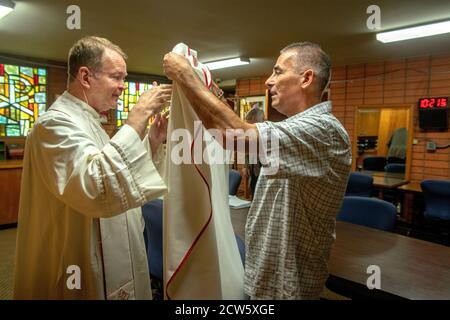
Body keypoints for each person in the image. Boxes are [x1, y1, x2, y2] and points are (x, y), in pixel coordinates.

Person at [163, 42, 351, 299]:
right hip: (265, 276)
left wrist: (186, 76)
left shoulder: (323, 130)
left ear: (306, 78)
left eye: (278, 71)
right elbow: (225, 132)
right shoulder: (294, 129)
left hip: (288, 285)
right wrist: (203, 92)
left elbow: (234, 136)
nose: (268, 81)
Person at [14, 36, 172, 300]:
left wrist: (153, 141)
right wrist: (138, 115)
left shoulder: (91, 123)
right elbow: (95, 185)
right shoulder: (53, 125)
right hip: (75, 265)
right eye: (117, 77)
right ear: (85, 77)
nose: (123, 86)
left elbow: (111, 166)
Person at [241, 107, 265, 198]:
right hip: (254, 172)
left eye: (250, 124)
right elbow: (247, 150)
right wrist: (246, 166)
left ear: (259, 121)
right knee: (254, 193)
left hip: (265, 172)